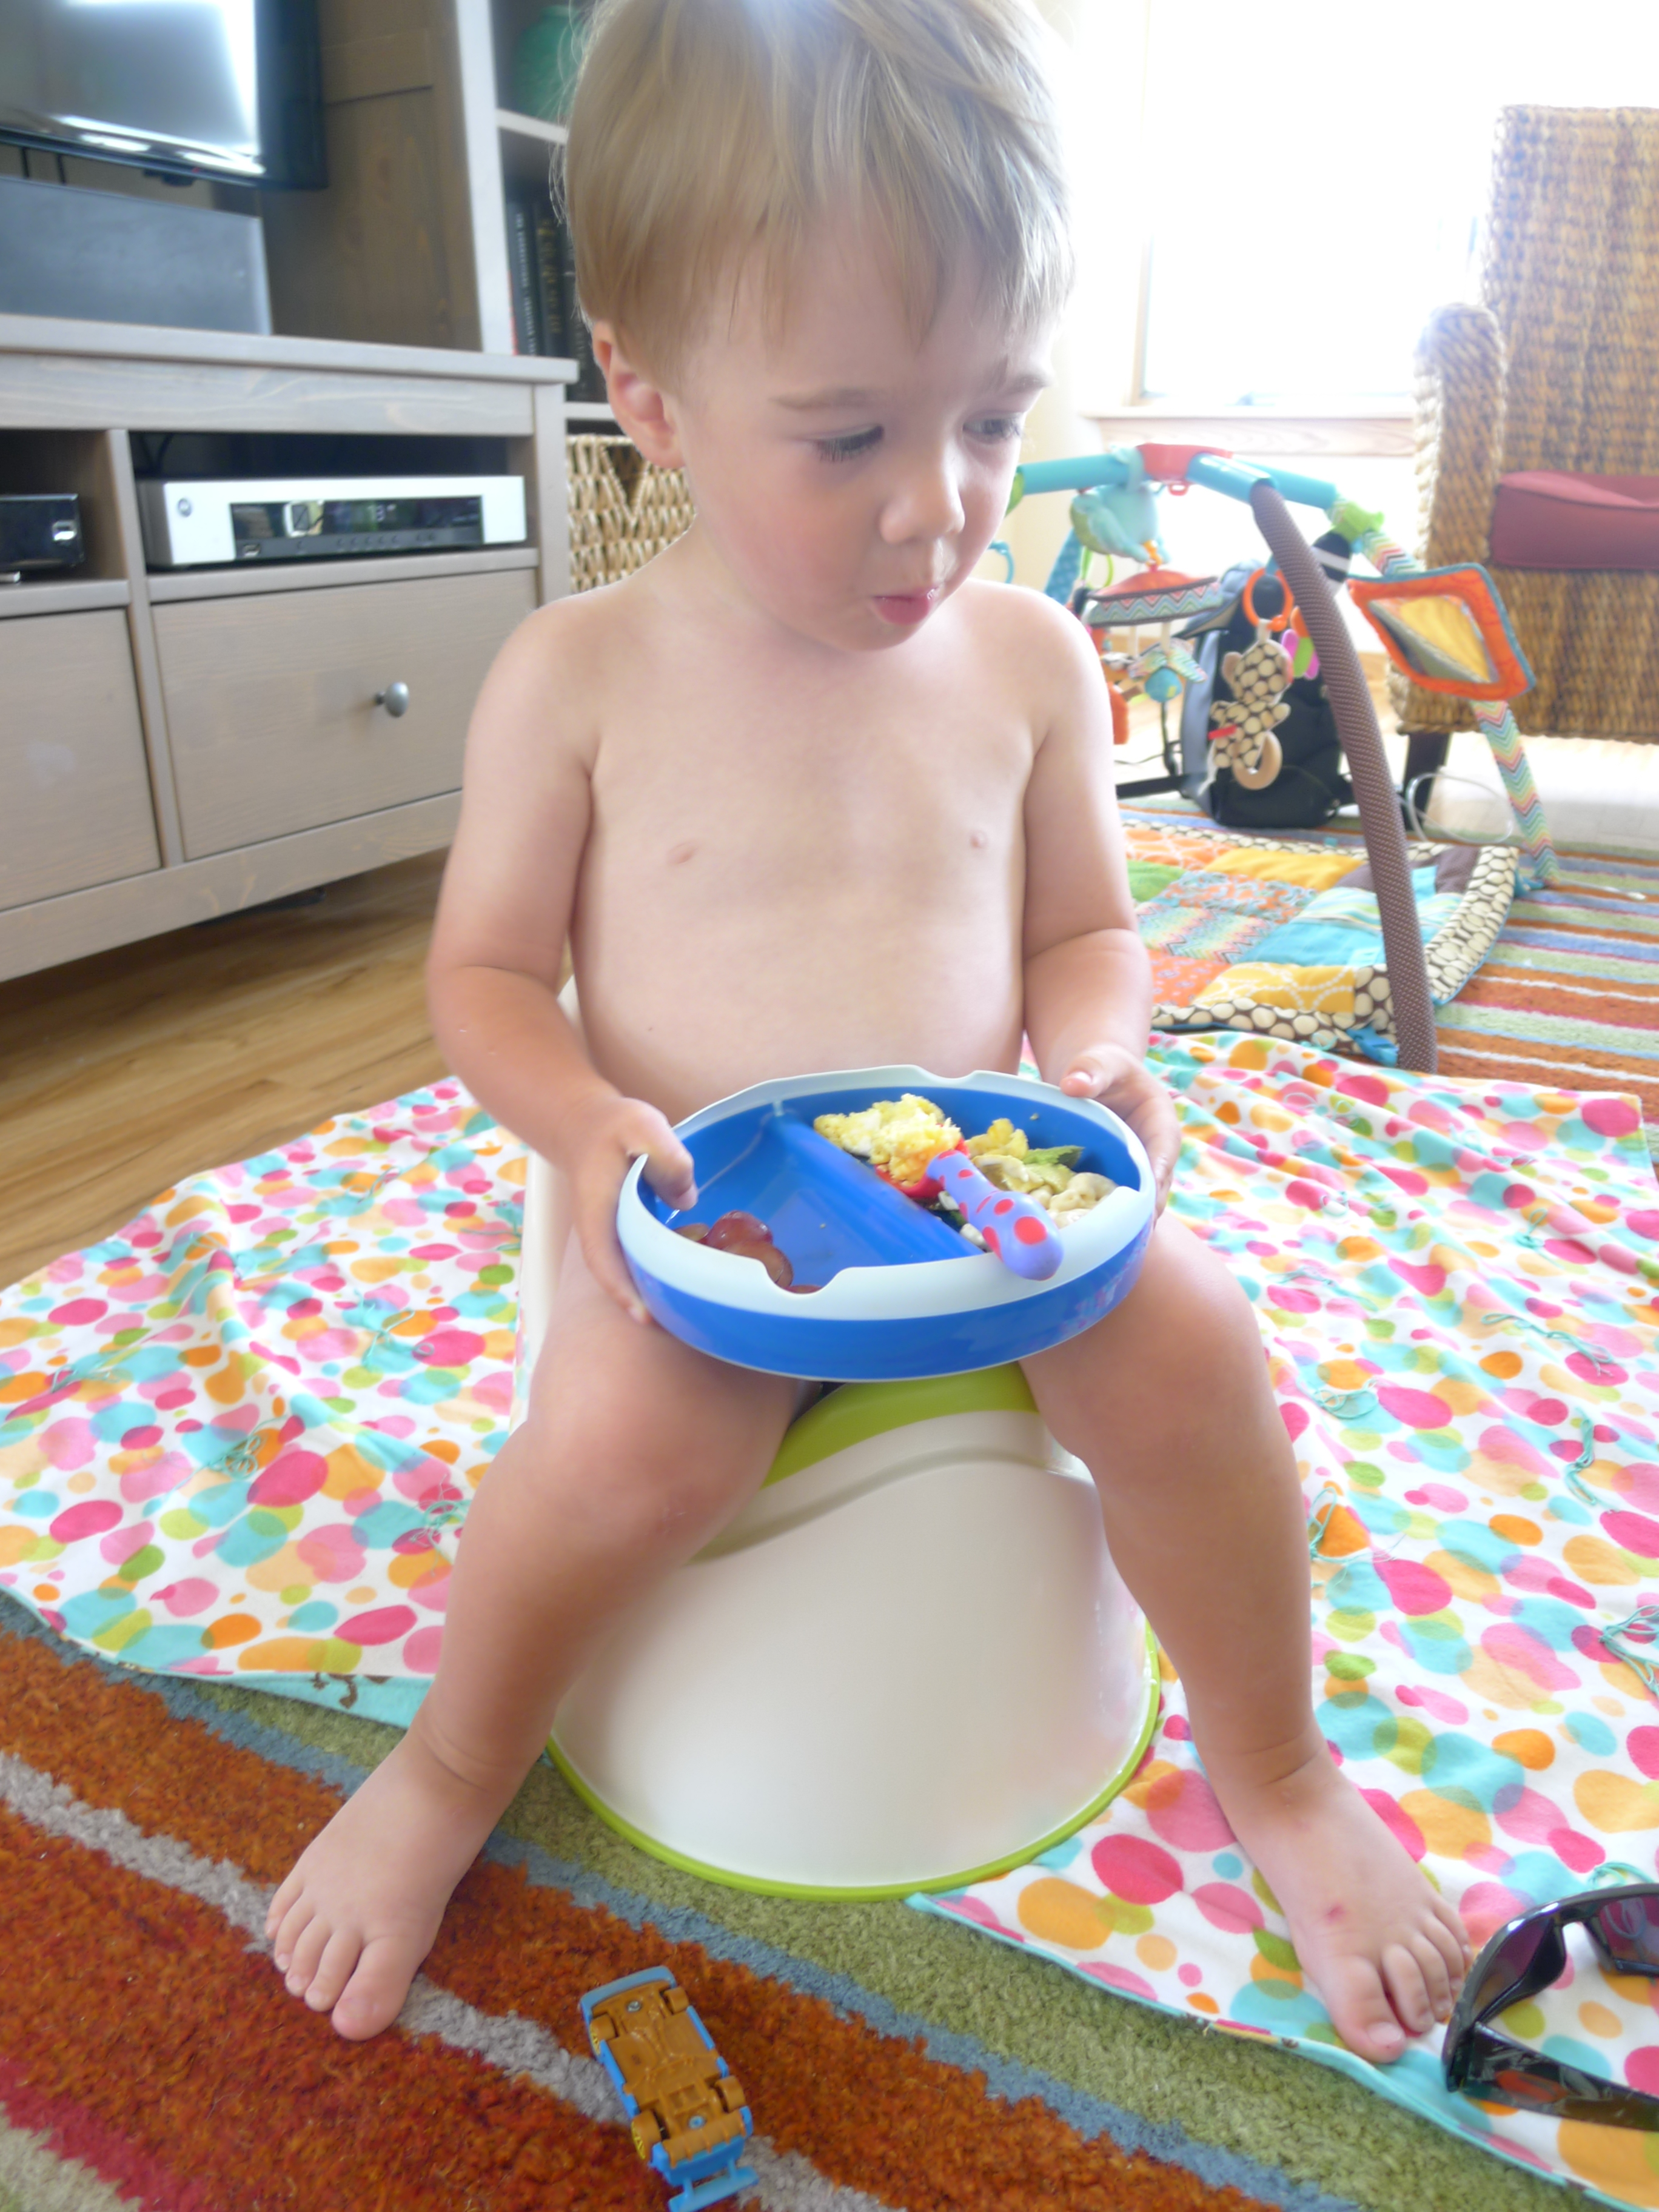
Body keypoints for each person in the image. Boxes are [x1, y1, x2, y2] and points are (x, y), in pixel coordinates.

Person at [266, 0, 1469, 2058]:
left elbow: (1085, 933)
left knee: (1197, 1347)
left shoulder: (1030, 663)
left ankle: (1277, 1771)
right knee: (615, 1455)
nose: (941, 506)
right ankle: (452, 1769)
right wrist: (581, 1124)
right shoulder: (577, 676)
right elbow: (484, 980)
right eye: (848, 440)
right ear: (646, 390)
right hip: (709, 1230)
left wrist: (1096, 1062)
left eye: (992, 417)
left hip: (980, 1209)